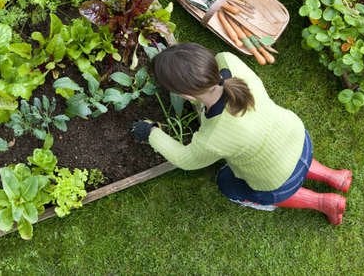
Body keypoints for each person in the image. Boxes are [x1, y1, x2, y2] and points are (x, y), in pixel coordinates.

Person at [131, 42, 352, 225]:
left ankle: (323, 202)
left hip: (276, 180)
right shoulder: (229, 61)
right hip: (297, 138)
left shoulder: (214, 137)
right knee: (284, 155)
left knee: (227, 184)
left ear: (186, 96)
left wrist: (151, 133)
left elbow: (185, 159)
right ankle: (335, 176)